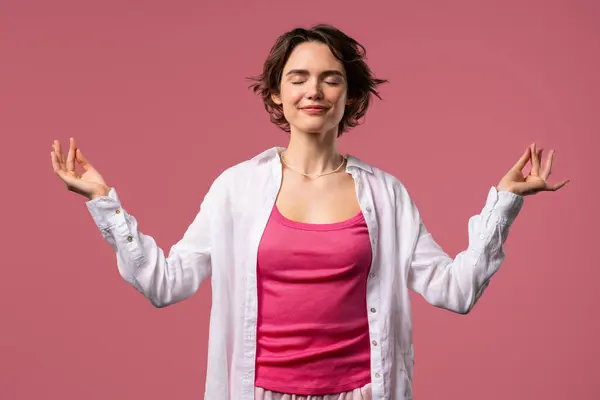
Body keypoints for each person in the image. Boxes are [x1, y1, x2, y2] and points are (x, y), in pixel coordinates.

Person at [50, 24, 569, 400]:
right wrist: (103, 201)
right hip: (257, 393)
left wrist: (505, 203)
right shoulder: (237, 188)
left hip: (365, 392)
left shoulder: (386, 195)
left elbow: (454, 292)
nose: (313, 91)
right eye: (298, 78)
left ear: (351, 96)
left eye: (330, 79)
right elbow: (167, 284)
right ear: (277, 93)